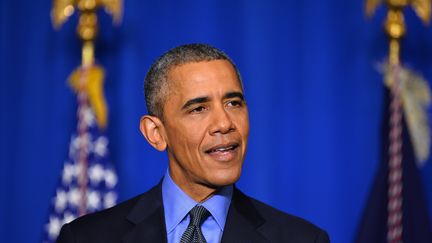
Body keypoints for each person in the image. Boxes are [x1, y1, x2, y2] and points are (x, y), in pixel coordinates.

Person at [57, 43, 330, 243]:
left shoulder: (303, 239)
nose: (225, 123)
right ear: (156, 133)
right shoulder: (86, 238)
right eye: (198, 108)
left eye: (234, 103)